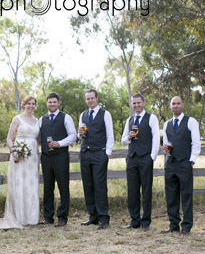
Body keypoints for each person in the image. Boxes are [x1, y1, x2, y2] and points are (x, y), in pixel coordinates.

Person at [0, 95, 41, 230]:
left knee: (31, 184)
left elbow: (38, 140)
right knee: (20, 183)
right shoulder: (17, 119)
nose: (31, 106)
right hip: (19, 155)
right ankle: (19, 217)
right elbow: (9, 139)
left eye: (33, 104)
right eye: (29, 103)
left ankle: (31, 218)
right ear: (24, 105)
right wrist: (14, 151)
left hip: (33, 156)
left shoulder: (38, 120)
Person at [162, 95, 201, 235]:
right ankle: (173, 225)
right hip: (171, 163)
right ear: (170, 106)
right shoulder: (167, 124)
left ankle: (186, 226)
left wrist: (191, 160)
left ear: (182, 105)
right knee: (171, 195)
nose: (176, 106)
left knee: (186, 196)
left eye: (178, 103)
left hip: (184, 163)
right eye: (173, 104)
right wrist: (167, 149)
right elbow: (168, 144)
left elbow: (196, 143)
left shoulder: (191, 122)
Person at [121, 93, 160, 231]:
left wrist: (152, 157)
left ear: (143, 103)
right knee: (132, 191)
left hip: (145, 158)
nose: (136, 105)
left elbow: (156, 138)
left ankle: (146, 222)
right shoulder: (129, 120)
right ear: (131, 104)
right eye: (134, 103)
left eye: (138, 103)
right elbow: (123, 141)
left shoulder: (151, 118)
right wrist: (129, 137)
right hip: (131, 158)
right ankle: (134, 220)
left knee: (146, 191)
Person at [38, 92, 76, 226]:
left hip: (61, 156)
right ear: (46, 103)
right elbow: (37, 137)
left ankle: (62, 217)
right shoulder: (41, 119)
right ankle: (48, 217)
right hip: (46, 157)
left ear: (58, 103)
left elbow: (73, 135)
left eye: (54, 102)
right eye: (50, 102)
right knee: (47, 187)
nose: (52, 104)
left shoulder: (66, 117)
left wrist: (59, 143)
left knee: (63, 187)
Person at [78, 88, 113, 229]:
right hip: (85, 153)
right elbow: (80, 134)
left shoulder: (105, 114)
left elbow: (110, 135)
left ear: (97, 98)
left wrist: (107, 153)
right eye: (87, 99)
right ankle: (93, 216)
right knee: (88, 185)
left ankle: (103, 218)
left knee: (100, 186)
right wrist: (80, 133)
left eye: (92, 98)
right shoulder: (83, 115)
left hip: (100, 153)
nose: (90, 101)